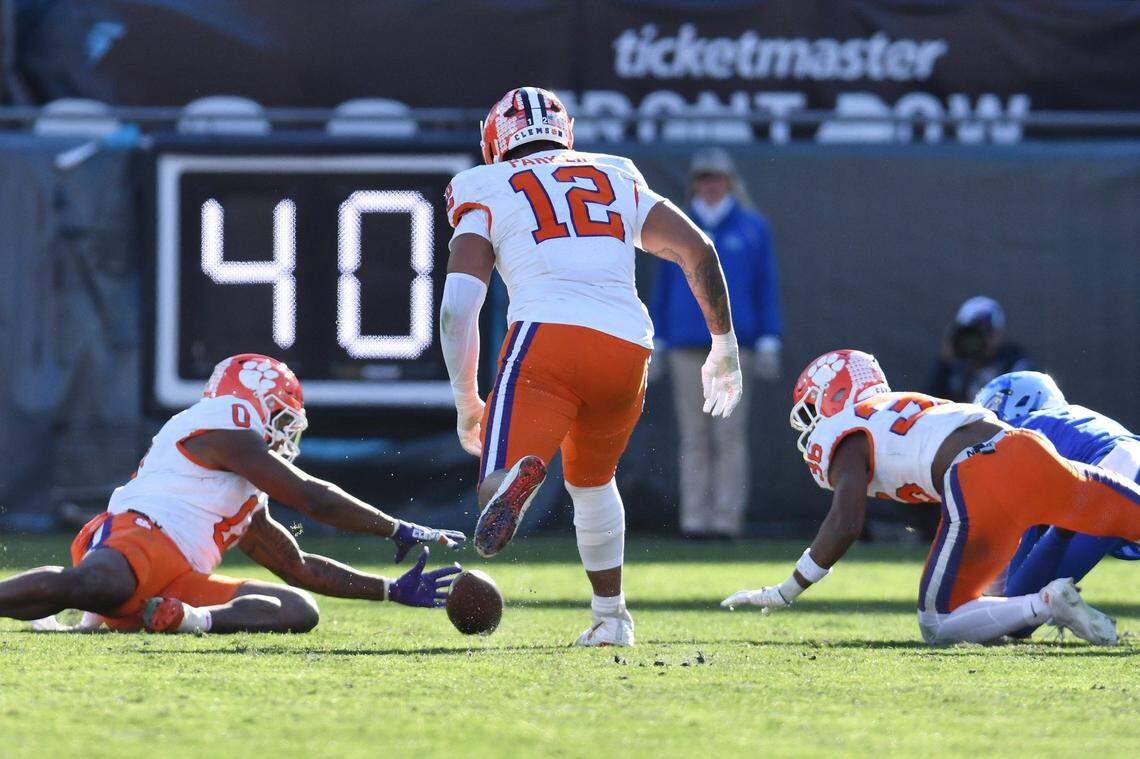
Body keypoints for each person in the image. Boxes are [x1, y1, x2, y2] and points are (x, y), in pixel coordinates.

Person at [440, 86, 742, 647]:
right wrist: (723, 347)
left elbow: (459, 306)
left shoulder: (483, 185)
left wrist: (466, 401)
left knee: (492, 484)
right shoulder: (614, 173)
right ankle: (612, 620)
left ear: (493, 139)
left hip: (546, 341)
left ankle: (513, 480)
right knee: (594, 482)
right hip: (628, 346)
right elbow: (696, 250)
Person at [0, 353, 465, 634]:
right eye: (281, 418)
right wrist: (395, 526)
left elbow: (298, 567)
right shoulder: (224, 418)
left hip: (174, 583)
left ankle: (186, 620)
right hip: (133, 538)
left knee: (297, 609)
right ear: (253, 400)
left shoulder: (245, 493)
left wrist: (387, 589)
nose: (285, 434)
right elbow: (311, 498)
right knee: (101, 586)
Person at [721, 350, 1140, 646]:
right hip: (1026, 449)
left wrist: (786, 589)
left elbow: (845, 523)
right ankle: (1040, 601)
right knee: (1130, 515)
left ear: (835, 394)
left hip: (976, 475)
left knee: (938, 623)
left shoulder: (844, 431)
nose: (813, 425)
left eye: (814, 408)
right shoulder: (903, 406)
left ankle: (1044, 603)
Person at [649, 148, 782, 539]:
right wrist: (657, 337)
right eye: (704, 178)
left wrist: (770, 337)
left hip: (733, 347)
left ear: (730, 182)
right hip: (686, 345)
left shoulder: (752, 228)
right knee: (694, 435)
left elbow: (766, 286)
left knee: (729, 435)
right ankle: (695, 520)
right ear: (695, 183)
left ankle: (726, 520)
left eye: (717, 178)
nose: (710, 185)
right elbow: (664, 288)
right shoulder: (678, 225)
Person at [974, 371, 1139, 634]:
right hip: (1122, 475)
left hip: (1113, 479)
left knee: (1015, 617)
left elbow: (1021, 539)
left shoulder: (1023, 435)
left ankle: (1057, 598)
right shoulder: (1074, 419)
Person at [926, 295, 1031, 403]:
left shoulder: (1013, 365)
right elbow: (929, 407)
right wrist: (944, 364)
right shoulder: (954, 368)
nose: (973, 343)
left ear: (998, 334)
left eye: (982, 333)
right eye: (968, 335)